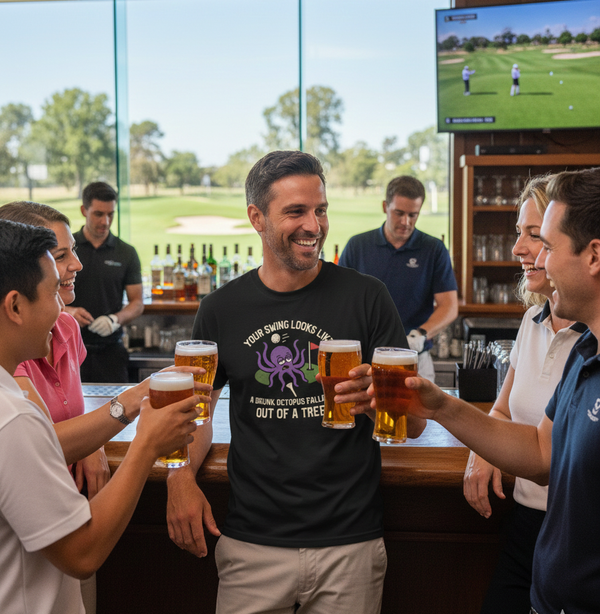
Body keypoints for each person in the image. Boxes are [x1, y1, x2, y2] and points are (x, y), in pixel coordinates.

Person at [166, 150, 424, 614]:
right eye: (296, 211)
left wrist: (381, 400)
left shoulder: (368, 297)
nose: (314, 225)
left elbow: (416, 425)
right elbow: (193, 414)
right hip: (251, 544)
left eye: (321, 210)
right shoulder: (221, 308)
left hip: (351, 544)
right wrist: (179, 478)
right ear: (256, 217)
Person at [383, 166, 600, 614]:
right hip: (543, 568)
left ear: (593, 255)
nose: (531, 255)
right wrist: (442, 406)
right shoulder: (585, 354)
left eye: (546, 242)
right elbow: (541, 453)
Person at [0, 218, 205, 614]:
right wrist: (146, 442)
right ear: (15, 306)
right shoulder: (13, 419)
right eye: (51, 294)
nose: (62, 308)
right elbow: (83, 552)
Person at [462, 176, 585, 613]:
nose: (518, 248)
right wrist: (483, 451)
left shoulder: (593, 335)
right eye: (519, 232)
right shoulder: (532, 319)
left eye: (535, 235)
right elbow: (501, 408)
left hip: (577, 534)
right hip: (523, 521)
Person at [339, 176, 458, 383]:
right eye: (399, 213)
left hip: (414, 359)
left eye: (413, 215)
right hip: (364, 361)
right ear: (385, 206)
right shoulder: (357, 246)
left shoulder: (433, 249)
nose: (406, 222)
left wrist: (421, 334)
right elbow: (339, 301)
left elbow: (449, 306)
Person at [67, 181, 143, 385]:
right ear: (84, 210)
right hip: (69, 349)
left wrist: (114, 320)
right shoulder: (67, 249)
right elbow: (46, 297)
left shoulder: (126, 252)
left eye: (111, 214)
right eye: (98, 214)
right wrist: (68, 312)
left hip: (111, 351)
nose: (106, 221)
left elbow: (137, 303)